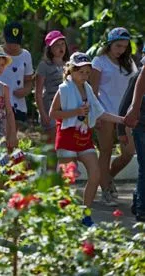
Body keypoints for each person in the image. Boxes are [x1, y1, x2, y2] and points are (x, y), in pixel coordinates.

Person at [49, 52, 125, 227]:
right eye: (81, 72)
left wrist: (122, 119)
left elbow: (100, 112)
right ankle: (62, 216)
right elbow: (53, 113)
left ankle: (86, 213)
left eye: (87, 72)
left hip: (84, 137)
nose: (84, 76)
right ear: (71, 71)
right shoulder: (64, 89)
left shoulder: (88, 89)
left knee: (96, 174)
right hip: (67, 136)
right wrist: (75, 112)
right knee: (67, 179)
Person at [90, 27, 138, 206]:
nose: (121, 50)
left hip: (125, 115)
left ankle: (108, 177)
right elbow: (93, 91)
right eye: (118, 45)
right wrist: (96, 116)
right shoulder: (99, 61)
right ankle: (106, 190)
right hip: (105, 114)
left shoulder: (130, 63)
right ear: (109, 44)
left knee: (128, 153)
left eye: (125, 46)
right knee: (106, 151)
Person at [35, 30, 70, 143]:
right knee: (52, 145)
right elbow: (38, 93)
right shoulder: (43, 65)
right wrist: (43, 114)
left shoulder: (69, 64)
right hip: (49, 107)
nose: (61, 47)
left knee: (65, 144)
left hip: (66, 108)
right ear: (49, 48)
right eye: (56, 45)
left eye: (62, 44)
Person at [120, 64, 145, 222]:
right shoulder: (138, 77)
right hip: (142, 123)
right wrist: (121, 130)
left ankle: (138, 199)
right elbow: (124, 105)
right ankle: (142, 208)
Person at [0, 22, 34, 126]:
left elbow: (28, 80)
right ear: (4, 38)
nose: (13, 46)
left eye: (16, 42)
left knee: (14, 136)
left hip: (18, 103)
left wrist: (25, 90)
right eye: (10, 42)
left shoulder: (26, 55)